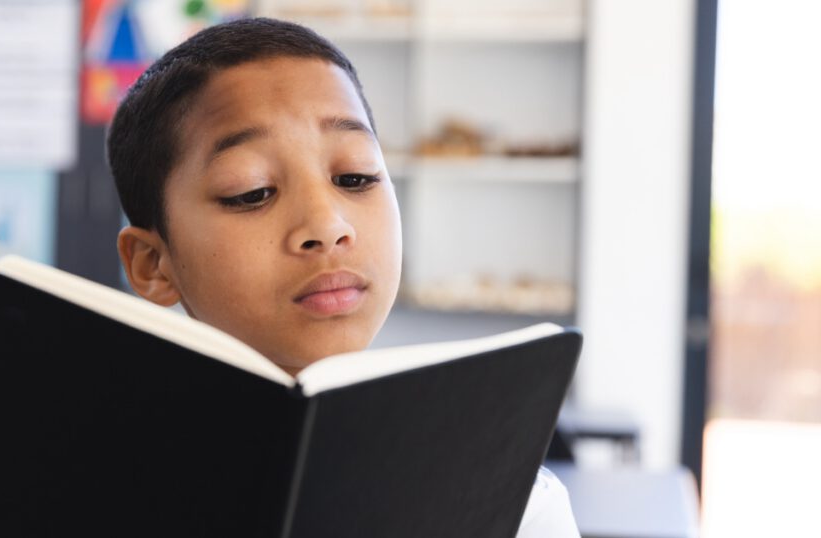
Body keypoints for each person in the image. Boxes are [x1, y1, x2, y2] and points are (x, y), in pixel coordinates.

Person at [107, 17, 579, 537]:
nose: (328, 227)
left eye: (355, 176)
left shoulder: (514, 502)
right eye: (252, 191)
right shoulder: (91, 480)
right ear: (152, 264)